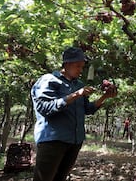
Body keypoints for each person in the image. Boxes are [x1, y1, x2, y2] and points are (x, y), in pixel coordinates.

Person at [31, 47, 117, 181]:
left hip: (74, 141)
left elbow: (87, 109)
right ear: (67, 64)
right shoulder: (49, 80)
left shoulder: (79, 85)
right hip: (53, 140)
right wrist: (76, 95)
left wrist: (104, 97)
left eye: (82, 67)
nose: (80, 70)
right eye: (78, 66)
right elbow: (44, 108)